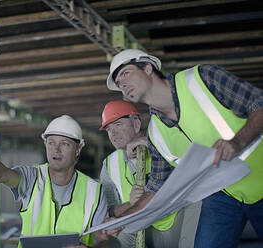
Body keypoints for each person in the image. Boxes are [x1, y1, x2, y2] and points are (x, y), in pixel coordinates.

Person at [105, 48, 263, 247]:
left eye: (126, 73)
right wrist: (123, 220)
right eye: (119, 83)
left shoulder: (202, 79)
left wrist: (237, 142)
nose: (123, 84)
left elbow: (259, 104)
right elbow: (155, 189)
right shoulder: (156, 134)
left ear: (147, 68)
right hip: (223, 197)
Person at [0, 115, 110, 248]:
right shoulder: (32, 177)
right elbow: (3, 174)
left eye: (64, 144)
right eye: (51, 143)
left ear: (78, 150)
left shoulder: (94, 191)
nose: (56, 149)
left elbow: (103, 240)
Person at [99, 100, 187, 248]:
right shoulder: (109, 164)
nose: (113, 133)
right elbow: (107, 210)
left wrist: (152, 145)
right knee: (116, 238)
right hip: (140, 230)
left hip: (175, 221)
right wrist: (131, 204)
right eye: (108, 129)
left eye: (118, 125)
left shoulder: (162, 144)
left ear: (136, 125)